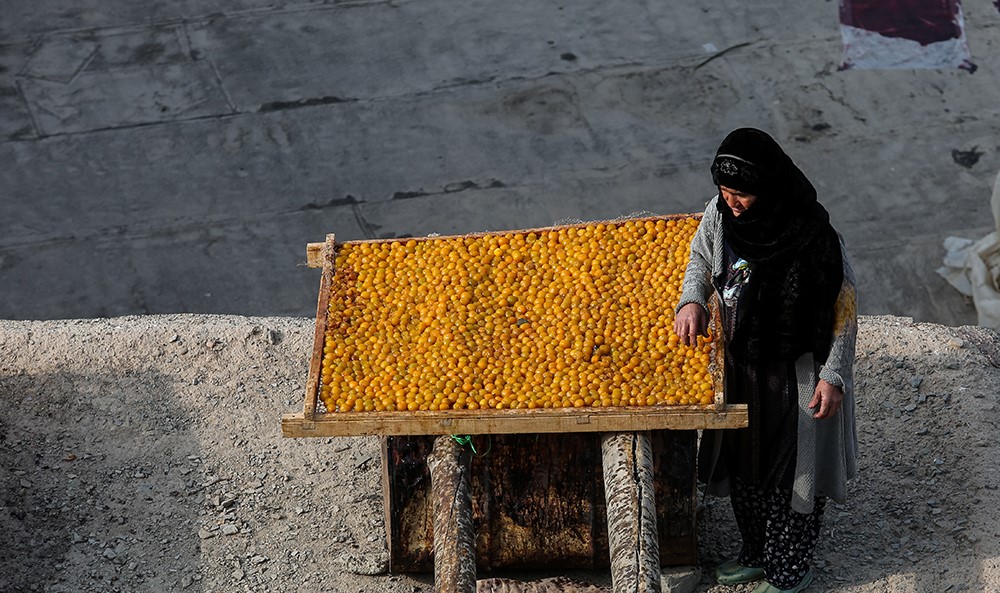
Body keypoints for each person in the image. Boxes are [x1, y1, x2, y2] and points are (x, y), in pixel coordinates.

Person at [673, 128, 858, 593]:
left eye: (742, 194)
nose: (731, 201)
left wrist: (833, 375)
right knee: (745, 469)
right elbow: (700, 256)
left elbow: (844, 309)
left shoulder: (814, 237)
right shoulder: (720, 216)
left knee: (792, 479)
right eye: (725, 191)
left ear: (770, 189)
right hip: (743, 368)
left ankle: (788, 574)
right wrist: (691, 300)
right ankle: (756, 555)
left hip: (797, 375)